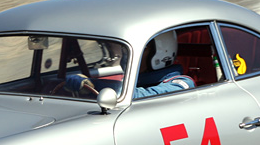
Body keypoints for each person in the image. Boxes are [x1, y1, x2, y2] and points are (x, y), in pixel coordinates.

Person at [62, 31, 195, 99]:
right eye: (124, 50)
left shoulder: (181, 84)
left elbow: (142, 96)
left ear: (160, 52)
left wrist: (93, 84)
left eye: (139, 49)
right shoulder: (132, 81)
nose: (125, 56)